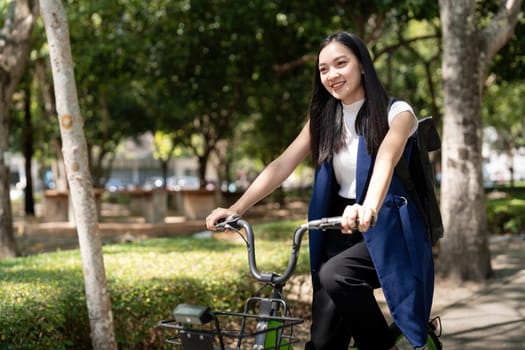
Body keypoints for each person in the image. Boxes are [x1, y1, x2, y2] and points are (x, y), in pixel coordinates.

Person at [205, 31, 434, 350]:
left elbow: (386, 156)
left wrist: (367, 206)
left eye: (341, 64)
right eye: (324, 69)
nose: (331, 75)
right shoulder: (325, 118)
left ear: (363, 66)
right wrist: (237, 208)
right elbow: (282, 164)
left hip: (390, 225)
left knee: (337, 274)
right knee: (324, 342)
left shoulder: (397, 112)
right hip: (338, 227)